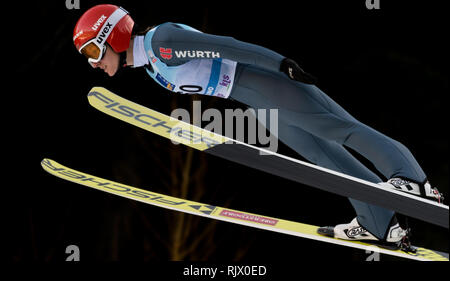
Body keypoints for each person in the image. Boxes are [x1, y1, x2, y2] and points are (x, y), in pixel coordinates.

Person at [73, 4, 443, 246]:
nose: (94, 64)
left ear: (114, 35)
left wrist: (281, 64)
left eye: (92, 51)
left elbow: (228, 46)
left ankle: (414, 180)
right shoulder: (149, 63)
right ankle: (379, 225)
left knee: (336, 129)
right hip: (248, 96)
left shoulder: (163, 43)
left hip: (262, 81)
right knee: (322, 155)